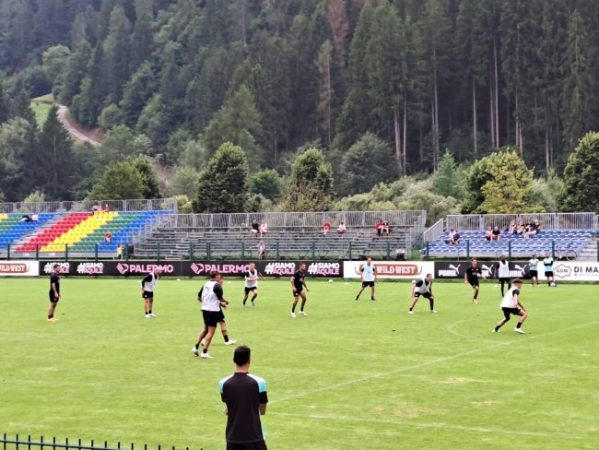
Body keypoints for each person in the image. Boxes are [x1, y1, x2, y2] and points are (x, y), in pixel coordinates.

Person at [219, 346, 268, 450]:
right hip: (255, 438)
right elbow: (262, 411)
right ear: (249, 360)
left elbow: (229, 406)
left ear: (233, 360)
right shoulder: (260, 382)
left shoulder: (223, 383)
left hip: (232, 439)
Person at [193, 271, 234, 359]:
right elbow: (220, 298)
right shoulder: (217, 285)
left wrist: (207, 303)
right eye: (219, 275)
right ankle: (204, 352)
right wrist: (225, 302)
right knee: (211, 332)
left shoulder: (206, 284)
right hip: (213, 311)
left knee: (205, 329)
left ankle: (196, 347)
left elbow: (199, 297)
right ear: (217, 276)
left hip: (204, 309)